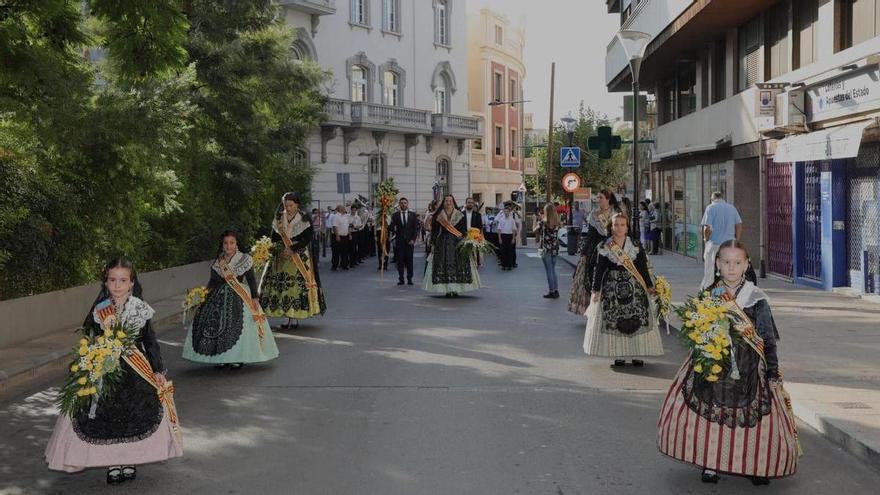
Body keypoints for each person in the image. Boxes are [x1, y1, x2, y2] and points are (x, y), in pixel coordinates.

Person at [658, 240, 798, 485]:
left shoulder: (756, 298)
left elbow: (766, 338)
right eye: (726, 262)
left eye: (737, 262)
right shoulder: (710, 294)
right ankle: (711, 463)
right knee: (712, 416)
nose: (731, 268)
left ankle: (755, 465)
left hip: (749, 369)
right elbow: (698, 331)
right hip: (714, 368)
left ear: (746, 265)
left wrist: (773, 372)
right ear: (717, 263)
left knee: (751, 419)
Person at [45, 258, 183, 482]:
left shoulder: (140, 308)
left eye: (123, 280)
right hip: (105, 371)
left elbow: (150, 341)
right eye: (112, 280)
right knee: (107, 417)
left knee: (133, 416)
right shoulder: (100, 309)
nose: (117, 285)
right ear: (106, 282)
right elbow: (89, 337)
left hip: (135, 371)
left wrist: (157, 369)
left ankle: (128, 460)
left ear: (131, 283)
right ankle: (112, 463)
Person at [183, 231, 279, 369]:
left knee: (237, 325)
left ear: (236, 244)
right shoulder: (219, 261)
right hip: (219, 296)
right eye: (226, 243)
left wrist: (255, 298)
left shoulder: (244, 259)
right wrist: (202, 296)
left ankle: (237, 357)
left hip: (239, 295)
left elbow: (251, 280)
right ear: (222, 245)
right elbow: (212, 282)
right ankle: (221, 357)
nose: (228, 246)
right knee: (216, 324)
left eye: (231, 243)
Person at [583, 212, 664, 367]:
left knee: (638, 319)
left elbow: (642, 267)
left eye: (622, 224)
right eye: (616, 224)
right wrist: (596, 290)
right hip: (612, 288)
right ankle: (618, 354)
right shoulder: (605, 246)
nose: (619, 228)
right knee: (614, 319)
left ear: (627, 227)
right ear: (611, 227)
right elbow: (599, 270)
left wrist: (649, 286)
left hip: (635, 286)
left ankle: (637, 353)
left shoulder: (634, 245)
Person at [260, 192, 327, 329]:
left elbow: (307, 238)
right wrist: (273, 248)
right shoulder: (279, 218)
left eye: (290, 205)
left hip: (299, 256)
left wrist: (293, 248)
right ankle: (286, 316)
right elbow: (274, 237)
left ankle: (295, 316)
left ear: (297, 204)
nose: (288, 208)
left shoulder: (304, 218)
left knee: (296, 287)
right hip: (281, 257)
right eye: (285, 205)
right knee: (281, 287)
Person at [569, 190, 619, 315]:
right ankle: (593, 308)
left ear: (608, 199)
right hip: (595, 249)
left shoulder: (616, 214)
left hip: (613, 248)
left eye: (600, 197)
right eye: (597, 197)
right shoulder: (594, 214)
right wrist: (584, 253)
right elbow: (590, 235)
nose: (598, 199)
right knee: (590, 278)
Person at [424, 194, 482, 297]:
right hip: (442, 242)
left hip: (457, 242)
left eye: (450, 201)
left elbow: (463, 230)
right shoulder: (439, 215)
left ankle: (455, 289)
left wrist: (466, 242)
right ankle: (446, 289)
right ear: (444, 202)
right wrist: (433, 243)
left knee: (457, 265)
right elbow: (434, 231)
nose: (448, 202)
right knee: (443, 265)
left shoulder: (459, 215)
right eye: (446, 201)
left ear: (453, 202)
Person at [700, 191, 743, 289]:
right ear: (722, 198)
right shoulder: (732, 208)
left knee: (710, 267)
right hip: (729, 244)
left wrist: (705, 239)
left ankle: (707, 288)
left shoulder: (710, 208)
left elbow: (707, 228)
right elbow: (739, 225)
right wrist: (737, 240)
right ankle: (729, 288)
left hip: (714, 243)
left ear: (713, 199)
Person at [534, 203, 561, 298]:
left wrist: (537, 220)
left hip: (545, 249)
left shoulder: (543, 222)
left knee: (549, 271)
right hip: (555, 249)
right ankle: (556, 290)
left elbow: (535, 230)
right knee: (553, 270)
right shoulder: (558, 222)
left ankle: (551, 291)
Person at [391, 197, 419, 285]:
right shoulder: (395, 215)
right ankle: (401, 278)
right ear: (399, 204)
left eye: (405, 203)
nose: (403, 204)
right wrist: (392, 227)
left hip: (409, 242)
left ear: (407, 204)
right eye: (401, 203)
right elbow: (391, 227)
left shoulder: (413, 215)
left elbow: (415, 229)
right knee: (400, 261)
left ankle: (410, 278)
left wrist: (413, 239)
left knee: (409, 261)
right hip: (399, 242)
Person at [495, 203, 519, 271]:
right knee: (503, 251)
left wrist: (513, 238)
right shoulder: (501, 220)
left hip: (510, 235)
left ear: (509, 212)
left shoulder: (512, 220)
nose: (506, 212)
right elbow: (499, 229)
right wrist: (499, 238)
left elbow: (514, 229)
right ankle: (503, 264)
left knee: (510, 251)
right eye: (505, 211)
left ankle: (509, 265)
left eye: (507, 211)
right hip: (503, 235)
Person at [331, 205, 350, 271]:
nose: (345, 209)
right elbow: (335, 226)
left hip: (345, 236)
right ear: (340, 209)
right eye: (344, 208)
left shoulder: (345, 216)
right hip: (338, 236)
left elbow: (348, 226)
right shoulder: (336, 216)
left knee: (344, 251)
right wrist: (337, 235)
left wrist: (349, 234)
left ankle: (344, 265)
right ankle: (334, 265)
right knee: (336, 251)